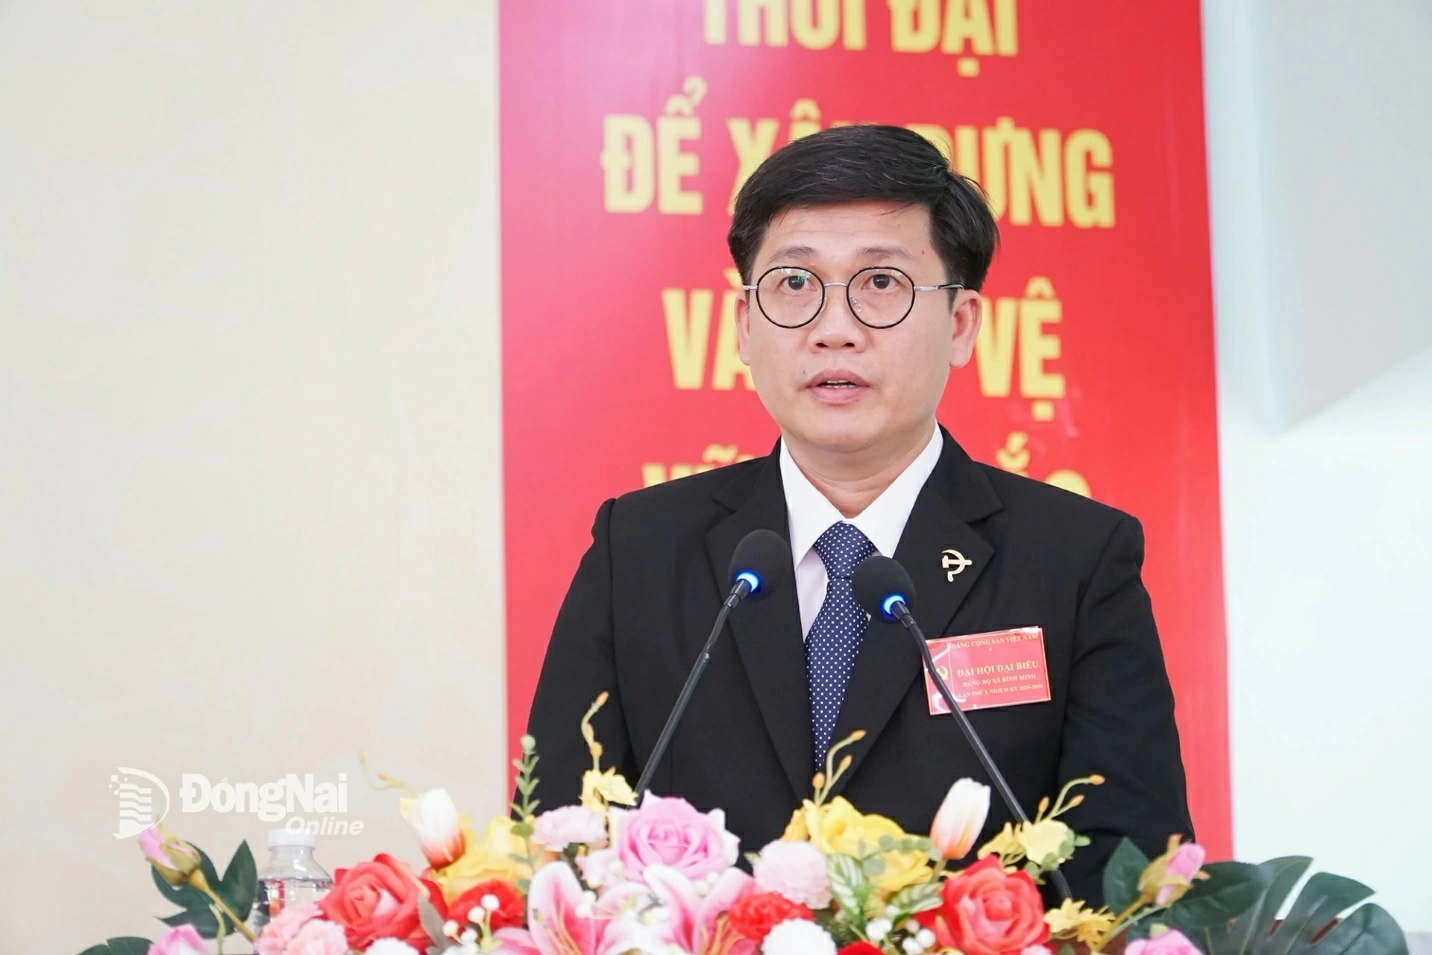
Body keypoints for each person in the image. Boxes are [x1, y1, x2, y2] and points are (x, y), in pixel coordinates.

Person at [523, 124, 1192, 903]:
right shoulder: (638, 551)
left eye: (881, 282)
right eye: (794, 284)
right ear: (744, 326)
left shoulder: (1075, 560)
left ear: (962, 324)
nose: (834, 329)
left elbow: (1134, 877)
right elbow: (557, 848)